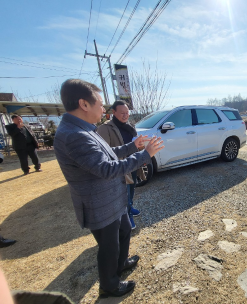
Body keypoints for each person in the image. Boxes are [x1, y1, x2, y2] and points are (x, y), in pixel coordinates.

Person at [54, 79, 164, 298]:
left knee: (123, 231)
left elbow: (108, 153)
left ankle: (121, 263)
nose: (104, 108)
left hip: (112, 199)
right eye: (100, 103)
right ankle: (109, 286)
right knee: (108, 246)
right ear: (84, 104)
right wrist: (144, 155)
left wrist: (133, 146)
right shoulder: (74, 136)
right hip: (99, 204)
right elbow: (106, 168)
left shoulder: (83, 129)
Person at [97, 100, 144, 230]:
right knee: (124, 193)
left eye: (127, 112)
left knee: (132, 187)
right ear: (114, 112)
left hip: (133, 163)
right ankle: (127, 215)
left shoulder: (130, 126)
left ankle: (130, 207)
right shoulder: (105, 128)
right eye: (122, 113)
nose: (125, 115)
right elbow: (105, 152)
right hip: (120, 167)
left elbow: (135, 143)